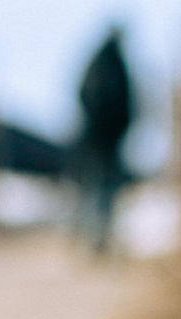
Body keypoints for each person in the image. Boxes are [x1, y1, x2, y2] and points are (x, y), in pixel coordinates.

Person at [73, 26, 132, 254]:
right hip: (102, 139)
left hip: (104, 138)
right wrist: (104, 123)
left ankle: (98, 239)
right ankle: (95, 239)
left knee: (100, 188)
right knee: (100, 188)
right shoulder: (109, 63)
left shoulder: (105, 62)